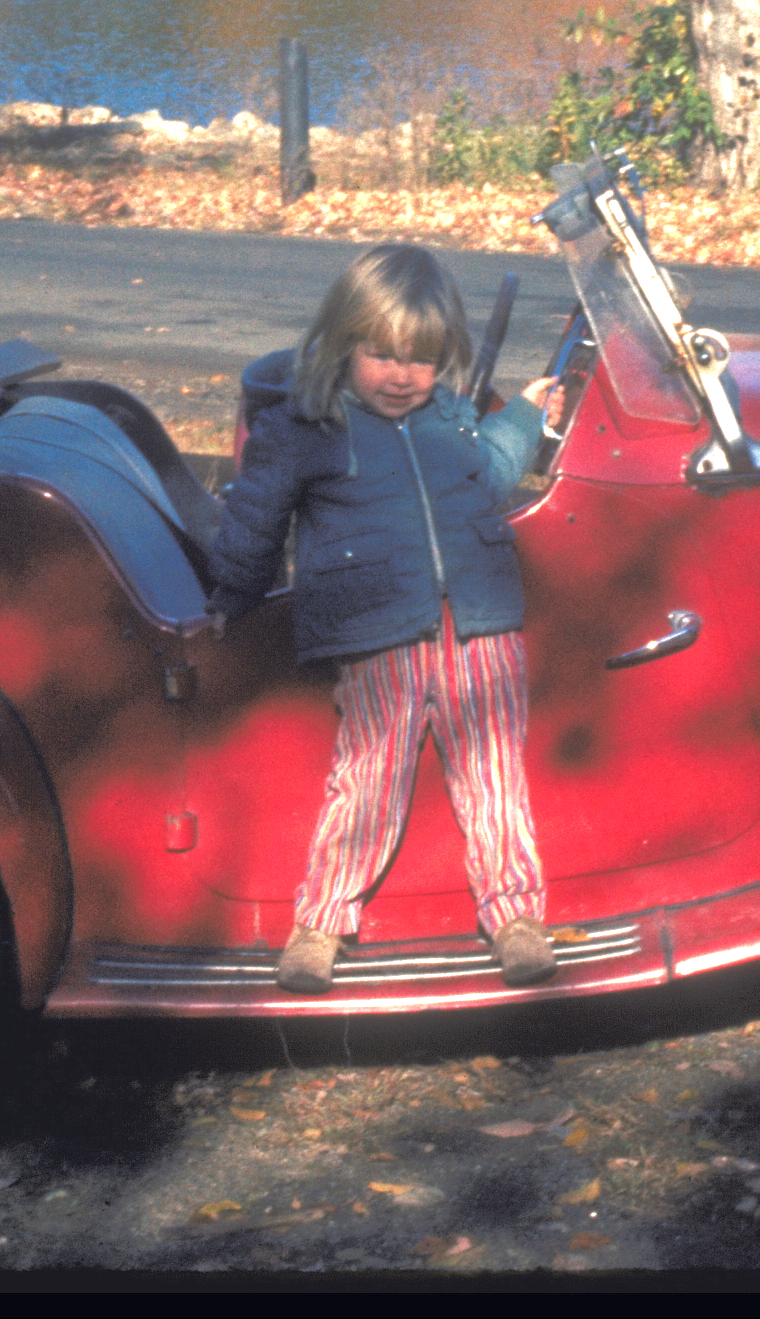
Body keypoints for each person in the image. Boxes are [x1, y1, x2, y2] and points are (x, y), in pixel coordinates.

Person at [195, 243, 567, 994]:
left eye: (422, 360)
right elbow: (256, 521)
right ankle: (321, 923)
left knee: (494, 772)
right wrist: (230, 598)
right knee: (369, 776)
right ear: (343, 344)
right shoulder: (306, 427)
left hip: (480, 623)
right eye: (383, 355)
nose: (403, 377)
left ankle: (516, 917)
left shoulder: (450, 415)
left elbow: (489, 476)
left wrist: (526, 416)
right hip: (378, 632)